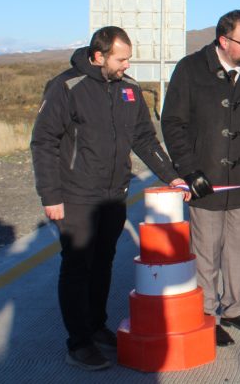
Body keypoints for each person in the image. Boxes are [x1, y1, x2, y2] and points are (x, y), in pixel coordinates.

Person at [31, 26, 185, 371]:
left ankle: (97, 326)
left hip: (115, 194)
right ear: (98, 56)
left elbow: (145, 139)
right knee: (77, 266)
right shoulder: (66, 87)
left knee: (103, 262)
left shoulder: (129, 90)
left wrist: (172, 176)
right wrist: (50, 195)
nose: (126, 65)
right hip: (76, 195)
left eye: (128, 58)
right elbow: (43, 142)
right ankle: (79, 342)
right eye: (121, 59)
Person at [161, 9, 240, 348]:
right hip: (206, 180)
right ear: (223, 41)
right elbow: (173, 124)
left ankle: (234, 309)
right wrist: (189, 170)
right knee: (206, 253)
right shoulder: (190, 69)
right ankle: (207, 315)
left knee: (238, 251)